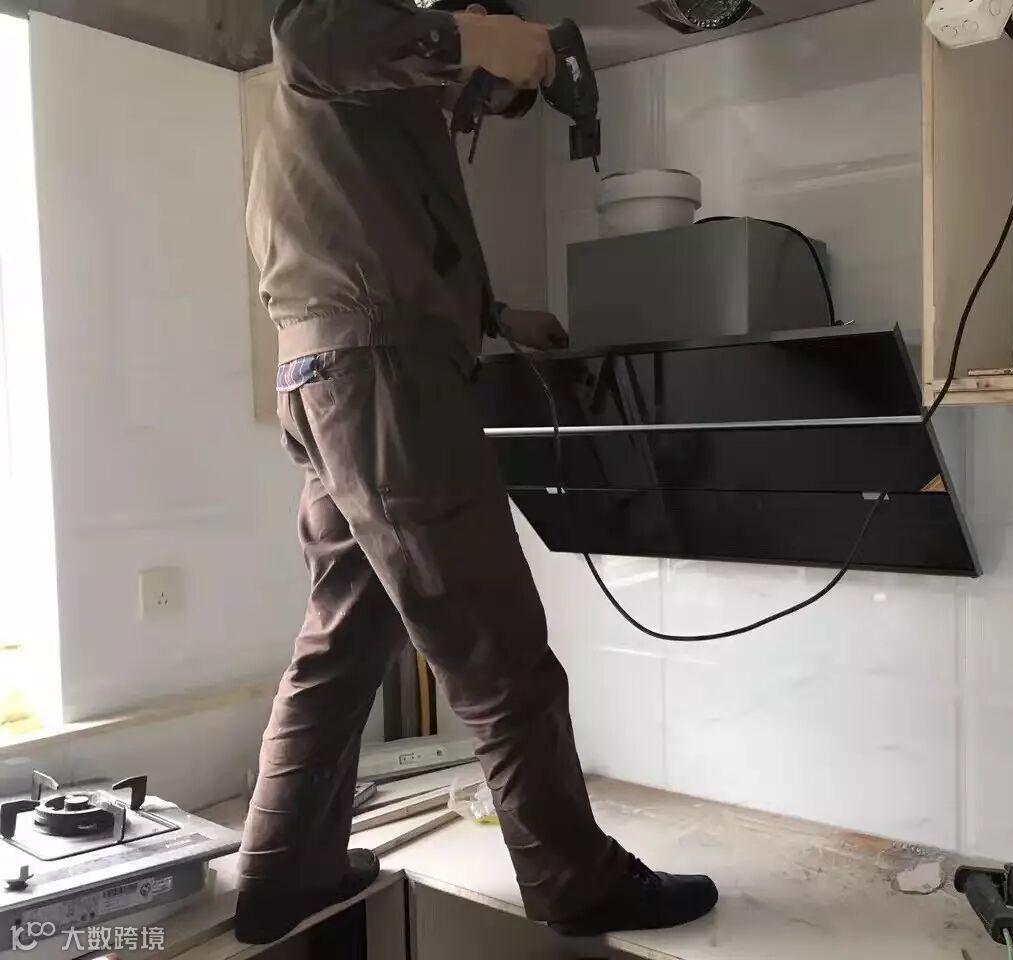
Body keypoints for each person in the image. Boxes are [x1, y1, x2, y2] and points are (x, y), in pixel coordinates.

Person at [234, 0, 719, 945]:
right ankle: (577, 881)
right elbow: (302, 33)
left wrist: (491, 316)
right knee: (498, 647)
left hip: (333, 369)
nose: (483, 101)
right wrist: (470, 40)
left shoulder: (375, 104)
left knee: (347, 637)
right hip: (382, 374)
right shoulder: (345, 36)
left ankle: (283, 872)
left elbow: (394, 235)